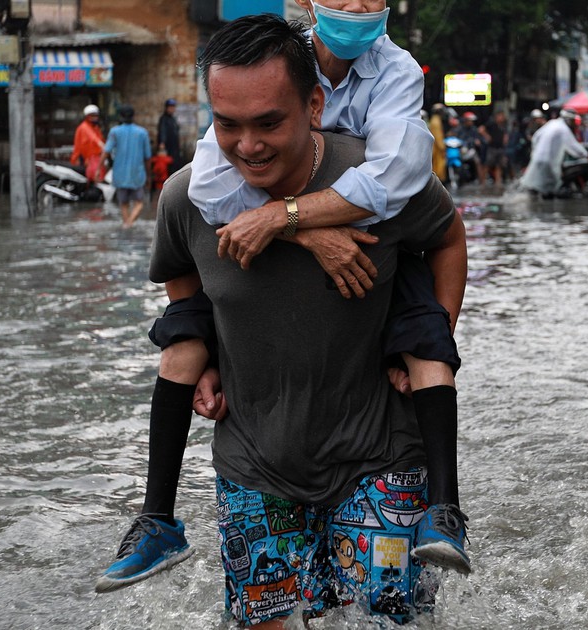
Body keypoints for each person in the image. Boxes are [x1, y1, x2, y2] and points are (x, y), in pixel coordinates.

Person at [95, 0, 472, 595]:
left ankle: (447, 509)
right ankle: (156, 518)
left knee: (387, 617)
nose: (248, 146)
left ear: (314, 106)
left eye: (270, 123)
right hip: (255, 463)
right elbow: (182, 276)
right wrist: (207, 355)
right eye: (228, 125)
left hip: (381, 458)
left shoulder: (381, 178)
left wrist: (432, 336)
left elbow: (449, 236)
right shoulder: (190, 193)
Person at [519, 108, 588, 197]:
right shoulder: (563, 128)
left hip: (537, 158)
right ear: (568, 120)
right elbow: (573, 145)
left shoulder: (551, 123)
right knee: (550, 189)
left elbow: (535, 137)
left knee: (537, 187)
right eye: (573, 121)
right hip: (548, 163)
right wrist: (587, 155)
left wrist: (535, 152)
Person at [103, 104, 152, 227]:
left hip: (120, 174)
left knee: (123, 203)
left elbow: (106, 151)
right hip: (137, 173)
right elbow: (148, 157)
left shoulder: (115, 132)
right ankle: (129, 223)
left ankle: (127, 223)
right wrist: (149, 175)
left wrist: (99, 168)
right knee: (139, 203)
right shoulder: (142, 133)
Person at [71, 104, 106, 183]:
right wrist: (101, 145)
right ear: (87, 116)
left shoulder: (95, 127)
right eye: (92, 116)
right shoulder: (84, 126)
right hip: (83, 159)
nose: (94, 118)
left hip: (93, 158)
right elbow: (93, 138)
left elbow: (101, 139)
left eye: (96, 116)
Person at [157, 98, 182, 172]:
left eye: (173, 107)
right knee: (168, 168)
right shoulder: (164, 119)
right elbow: (162, 130)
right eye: (170, 107)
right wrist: (162, 142)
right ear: (166, 108)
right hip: (168, 148)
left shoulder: (173, 119)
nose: (172, 109)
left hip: (175, 147)